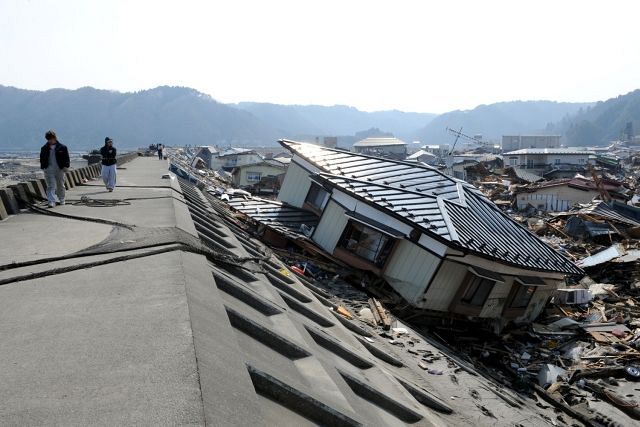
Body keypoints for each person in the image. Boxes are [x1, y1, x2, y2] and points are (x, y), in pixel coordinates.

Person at [39, 130, 70, 208]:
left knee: (60, 185)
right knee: (51, 185)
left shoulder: (62, 147)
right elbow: (42, 158)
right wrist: (43, 167)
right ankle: (51, 201)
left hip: (60, 168)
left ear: (55, 138)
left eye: (52, 138)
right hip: (49, 169)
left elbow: (66, 158)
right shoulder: (44, 148)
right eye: (49, 139)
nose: (50, 140)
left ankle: (62, 199)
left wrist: (66, 166)